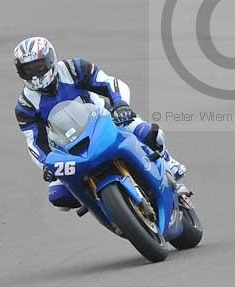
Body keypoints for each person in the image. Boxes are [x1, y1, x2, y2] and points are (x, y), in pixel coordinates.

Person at [13, 37, 188, 211]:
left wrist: (120, 104)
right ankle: (106, 206)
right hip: (68, 147)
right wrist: (46, 163)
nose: (34, 73)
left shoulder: (74, 68)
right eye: (28, 69)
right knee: (59, 196)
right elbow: (34, 141)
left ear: (50, 60)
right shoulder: (25, 105)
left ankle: (168, 164)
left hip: (106, 121)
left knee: (148, 133)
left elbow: (109, 82)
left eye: (38, 66)